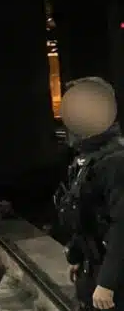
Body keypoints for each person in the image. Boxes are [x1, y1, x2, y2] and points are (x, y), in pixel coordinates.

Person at [55, 77, 124, 310]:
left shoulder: (116, 160)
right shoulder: (87, 158)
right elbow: (84, 212)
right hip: (92, 268)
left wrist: (107, 282)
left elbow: (121, 226)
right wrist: (79, 257)